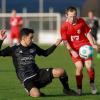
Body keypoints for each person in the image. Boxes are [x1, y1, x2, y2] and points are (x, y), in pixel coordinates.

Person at [0, 28, 76, 97]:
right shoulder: (13, 48)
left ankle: (67, 90)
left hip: (38, 74)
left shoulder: (33, 46)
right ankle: (32, 90)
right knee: (36, 95)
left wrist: (55, 44)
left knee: (61, 71)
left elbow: (45, 53)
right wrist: (1, 40)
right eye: (30, 38)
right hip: (27, 80)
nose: (32, 40)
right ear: (23, 38)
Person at [60, 6, 98, 95]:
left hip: (85, 46)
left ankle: (92, 83)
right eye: (70, 16)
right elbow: (65, 41)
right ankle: (79, 88)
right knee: (79, 67)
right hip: (74, 49)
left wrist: (92, 44)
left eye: (74, 16)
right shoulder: (64, 26)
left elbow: (88, 33)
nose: (73, 18)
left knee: (89, 66)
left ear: (77, 15)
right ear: (66, 15)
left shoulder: (81, 21)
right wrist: (72, 51)